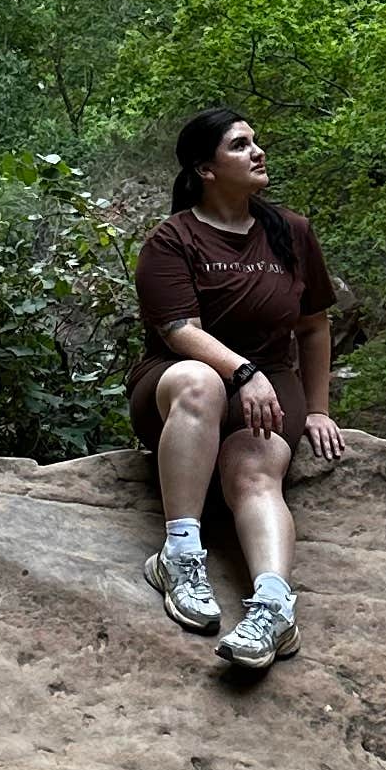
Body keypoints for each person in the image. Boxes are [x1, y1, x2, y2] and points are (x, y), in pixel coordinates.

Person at [130, 106, 344, 674]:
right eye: (241, 145)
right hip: (178, 388)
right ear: (205, 168)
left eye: (256, 142)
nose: (258, 152)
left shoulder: (291, 232)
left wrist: (318, 409)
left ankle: (274, 606)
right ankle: (178, 555)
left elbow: (314, 325)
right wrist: (243, 373)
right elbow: (179, 332)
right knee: (202, 381)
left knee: (252, 474)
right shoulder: (171, 240)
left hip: (272, 386)